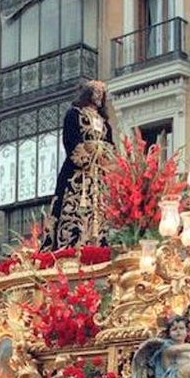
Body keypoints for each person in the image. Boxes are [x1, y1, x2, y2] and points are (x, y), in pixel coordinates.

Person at [40, 79, 115, 251]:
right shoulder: (74, 114)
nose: (98, 97)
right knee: (72, 210)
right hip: (77, 174)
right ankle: (70, 243)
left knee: (100, 210)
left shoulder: (104, 122)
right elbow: (71, 140)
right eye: (96, 93)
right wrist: (87, 154)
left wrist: (104, 153)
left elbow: (110, 145)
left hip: (98, 176)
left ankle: (99, 245)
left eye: (101, 94)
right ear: (87, 94)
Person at [132, 314, 190, 378]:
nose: (178, 331)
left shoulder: (187, 346)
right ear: (169, 333)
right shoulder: (166, 347)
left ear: (187, 331)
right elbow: (177, 349)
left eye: (181, 328)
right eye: (174, 329)